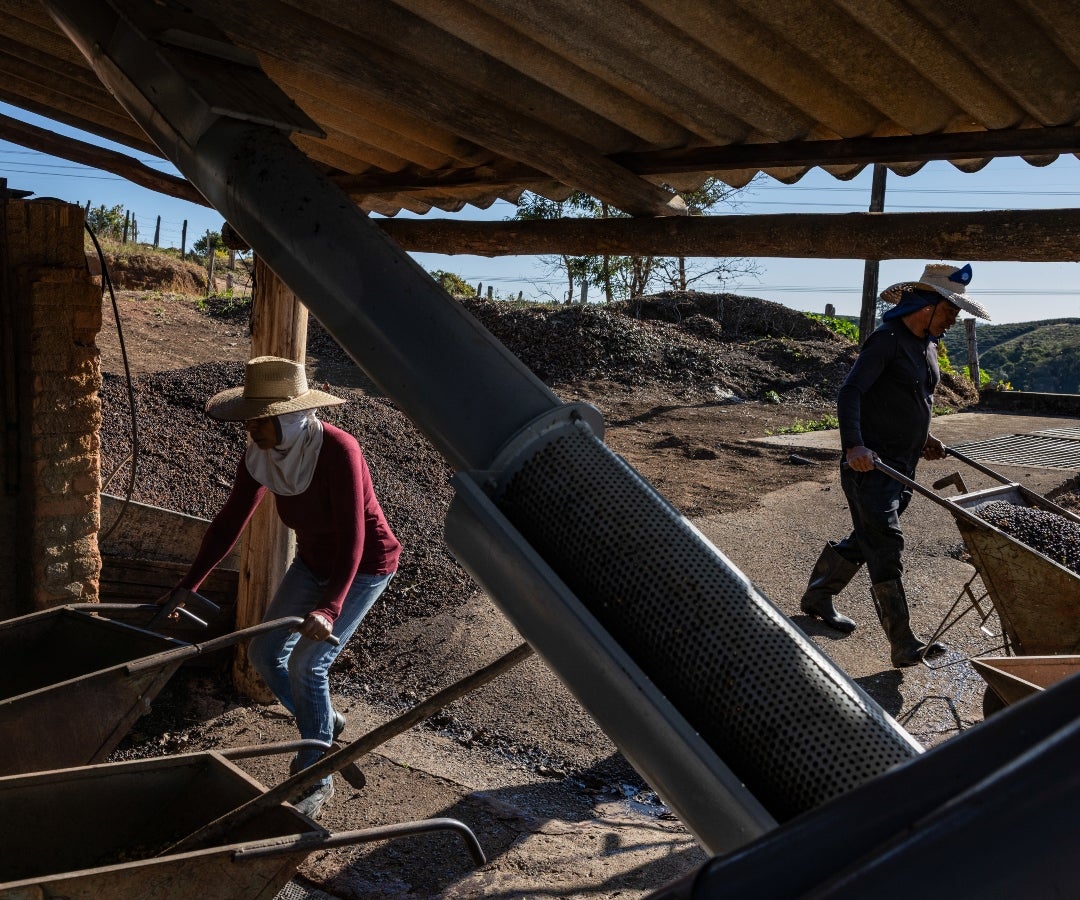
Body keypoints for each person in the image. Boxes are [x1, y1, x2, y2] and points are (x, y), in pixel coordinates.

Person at [172, 356, 401, 818]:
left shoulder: (338, 450)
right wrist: (187, 586)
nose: (252, 429)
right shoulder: (261, 455)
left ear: (293, 416)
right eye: (250, 420)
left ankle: (314, 778)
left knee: (308, 663)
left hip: (364, 567)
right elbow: (228, 523)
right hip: (315, 563)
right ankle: (324, 723)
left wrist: (330, 610)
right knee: (264, 652)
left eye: (262, 420)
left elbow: (354, 538)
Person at [798, 263, 991, 667]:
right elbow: (851, 393)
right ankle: (903, 642)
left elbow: (912, 401)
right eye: (951, 311)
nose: (954, 320)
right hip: (870, 467)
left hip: (901, 467)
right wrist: (854, 446)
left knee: (869, 536)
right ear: (926, 305)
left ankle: (818, 594)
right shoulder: (885, 341)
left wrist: (924, 439)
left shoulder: (928, 345)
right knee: (886, 543)